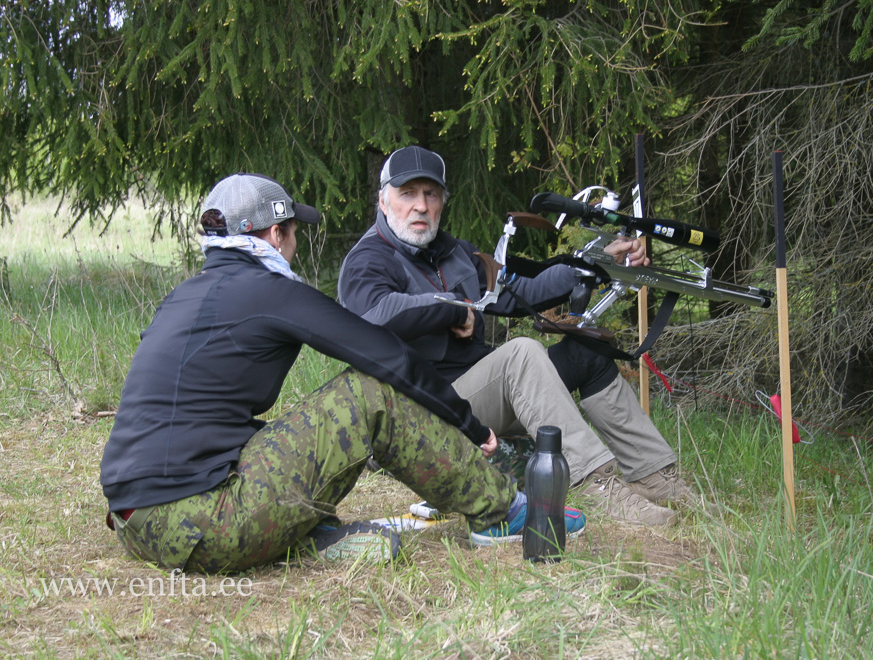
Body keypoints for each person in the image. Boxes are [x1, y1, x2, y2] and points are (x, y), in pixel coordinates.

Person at [99, 172, 585, 574]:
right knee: (367, 392)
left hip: (137, 523)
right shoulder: (270, 290)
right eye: (293, 232)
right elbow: (385, 357)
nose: (293, 244)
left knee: (287, 428)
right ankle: (500, 513)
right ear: (274, 235)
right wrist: (470, 424)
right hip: (203, 524)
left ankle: (313, 535)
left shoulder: (184, 297)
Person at [338, 146, 710, 528]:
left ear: (442, 202)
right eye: (408, 194)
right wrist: (453, 307)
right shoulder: (368, 259)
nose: (420, 206)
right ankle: (595, 484)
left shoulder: (453, 252)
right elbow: (371, 316)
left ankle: (654, 475)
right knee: (521, 354)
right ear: (384, 201)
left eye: (430, 194)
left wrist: (593, 265)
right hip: (423, 413)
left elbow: (521, 291)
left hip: (476, 401)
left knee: (586, 352)